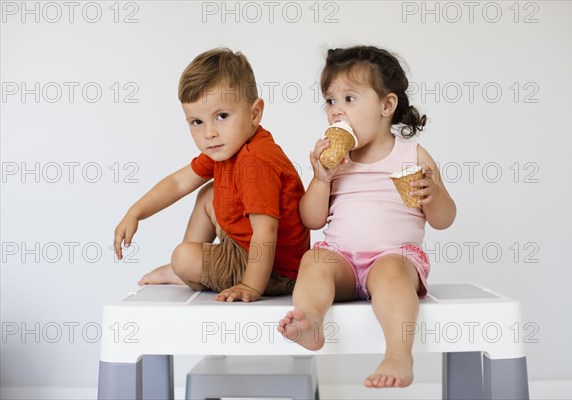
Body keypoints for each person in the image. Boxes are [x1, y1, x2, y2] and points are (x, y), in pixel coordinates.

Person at [278, 45, 456, 387]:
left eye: (349, 99)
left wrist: (433, 196)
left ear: (386, 106)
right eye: (330, 101)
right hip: (341, 260)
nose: (336, 112)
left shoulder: (412, 155)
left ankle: (398, 354)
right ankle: (312, 319)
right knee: (315, 258)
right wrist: (320, 178)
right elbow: (311, 220)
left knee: (390, 272)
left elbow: (444, 219)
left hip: (394, 258)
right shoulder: (334, 160)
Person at [113, 48, 310, 302]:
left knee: (182, 257)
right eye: (197, 122)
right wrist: (135, 212)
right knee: (209, 193)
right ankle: (190, 268)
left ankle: (186, 269)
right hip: (245, 244)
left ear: (254, 113)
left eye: (222, 116)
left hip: (274, 268)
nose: (209, 133)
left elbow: (266, 232)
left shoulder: (255, 161)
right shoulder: (228, 146)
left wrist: (251, 287)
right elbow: (178, 182)